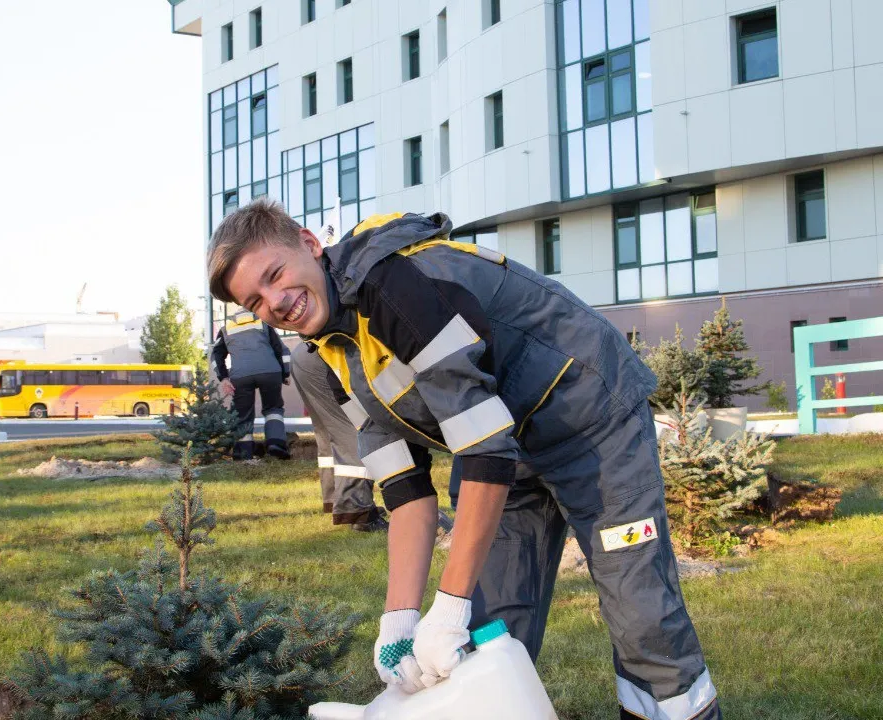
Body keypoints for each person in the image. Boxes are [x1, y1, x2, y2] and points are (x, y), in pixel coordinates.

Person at [207, 200, 720, 720]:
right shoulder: (329, 357)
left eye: (275, 275)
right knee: (484, 627)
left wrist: (445, 605)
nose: (276, 301)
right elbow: (405, 491)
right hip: (507, 453)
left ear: (309, 244)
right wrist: (400, 620)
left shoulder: (397, 289)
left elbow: (483, 449)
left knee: (639, 607)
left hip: (593, 424)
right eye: (255, 301)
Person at [290, 344, 386, 531]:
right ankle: (359, 513)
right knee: (354, 432)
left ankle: (335, 500)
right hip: (325, 358)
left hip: (304, 355)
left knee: (327, 433)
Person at [211, 310, 292, 460]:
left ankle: (243, 453)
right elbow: (281, 350)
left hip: (241, 376)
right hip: (270, 372)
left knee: (243, 413)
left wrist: (224, 378)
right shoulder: (263, 323)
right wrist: (285, 373)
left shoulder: (226, 328)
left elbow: (216, 356)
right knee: (273, 408)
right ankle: (276, 444)